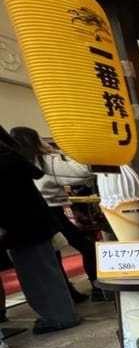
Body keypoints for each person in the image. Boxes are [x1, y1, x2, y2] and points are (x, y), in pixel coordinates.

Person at [0, 125, 80, 335]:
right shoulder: (11, 156)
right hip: (35, 224)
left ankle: (60, 317)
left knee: (37, 275)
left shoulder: (4, 160)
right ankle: (61, 314)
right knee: (45, 272)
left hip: (22, 229)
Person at [10, 127, 104, 302]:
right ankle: (98, 288)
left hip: (32, 214)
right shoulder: (44, 160)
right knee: (86, 247)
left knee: (54, 257)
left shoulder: (17, 160)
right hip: (52, 212)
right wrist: (61, 155)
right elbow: (81, 173)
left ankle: (66, 295)